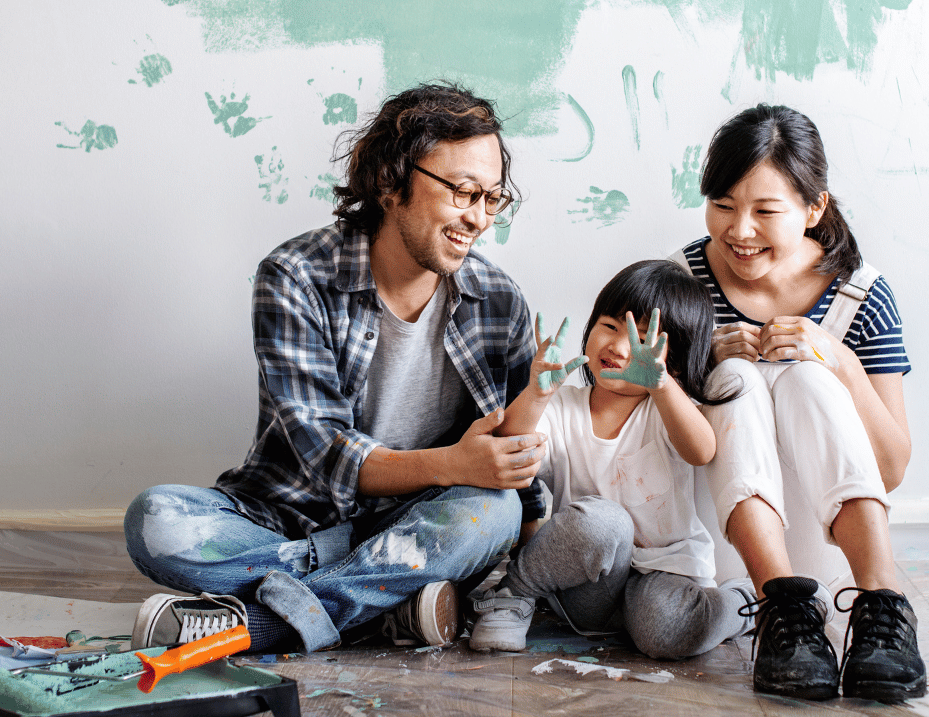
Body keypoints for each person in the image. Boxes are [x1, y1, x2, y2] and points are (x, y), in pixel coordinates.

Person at [122, 83, 547, 656]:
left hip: (419, 519)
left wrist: (513, 493)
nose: (478, 219)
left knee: (491, 512)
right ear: (392, 180)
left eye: (492, 198)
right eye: (464, 192)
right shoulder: (296, 276)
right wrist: (450, 463)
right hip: (292, 519)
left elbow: (508, 463)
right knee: (157, 518)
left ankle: (266, 623)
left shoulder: (498, 301)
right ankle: (382, 601)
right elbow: (322, 449)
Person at [668, 104, 924, 702]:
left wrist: (840, 360)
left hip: (831, 549)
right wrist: (697, 366)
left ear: (814, 209)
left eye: (765, 210)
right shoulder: (684, 280)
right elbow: (643, 430)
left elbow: (890, 468)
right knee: (734, 376)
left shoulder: (860, 292)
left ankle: (882, 606)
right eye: (723, 206)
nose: (739, 230)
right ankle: (783, 612)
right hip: (721, 552)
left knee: (810, 379)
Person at [466, 260, 754, 659]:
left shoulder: (665, 409)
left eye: (640, 341)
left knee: (669, 633)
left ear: (672, 358)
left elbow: (701, 450)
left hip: (665, 575)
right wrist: (535, 393)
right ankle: (514, 594)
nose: (618, 347)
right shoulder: (566, 406)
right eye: (610, 326)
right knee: (603, 523)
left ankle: (743, 604)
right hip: (590, 584)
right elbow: (510, 447)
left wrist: (663, 386)